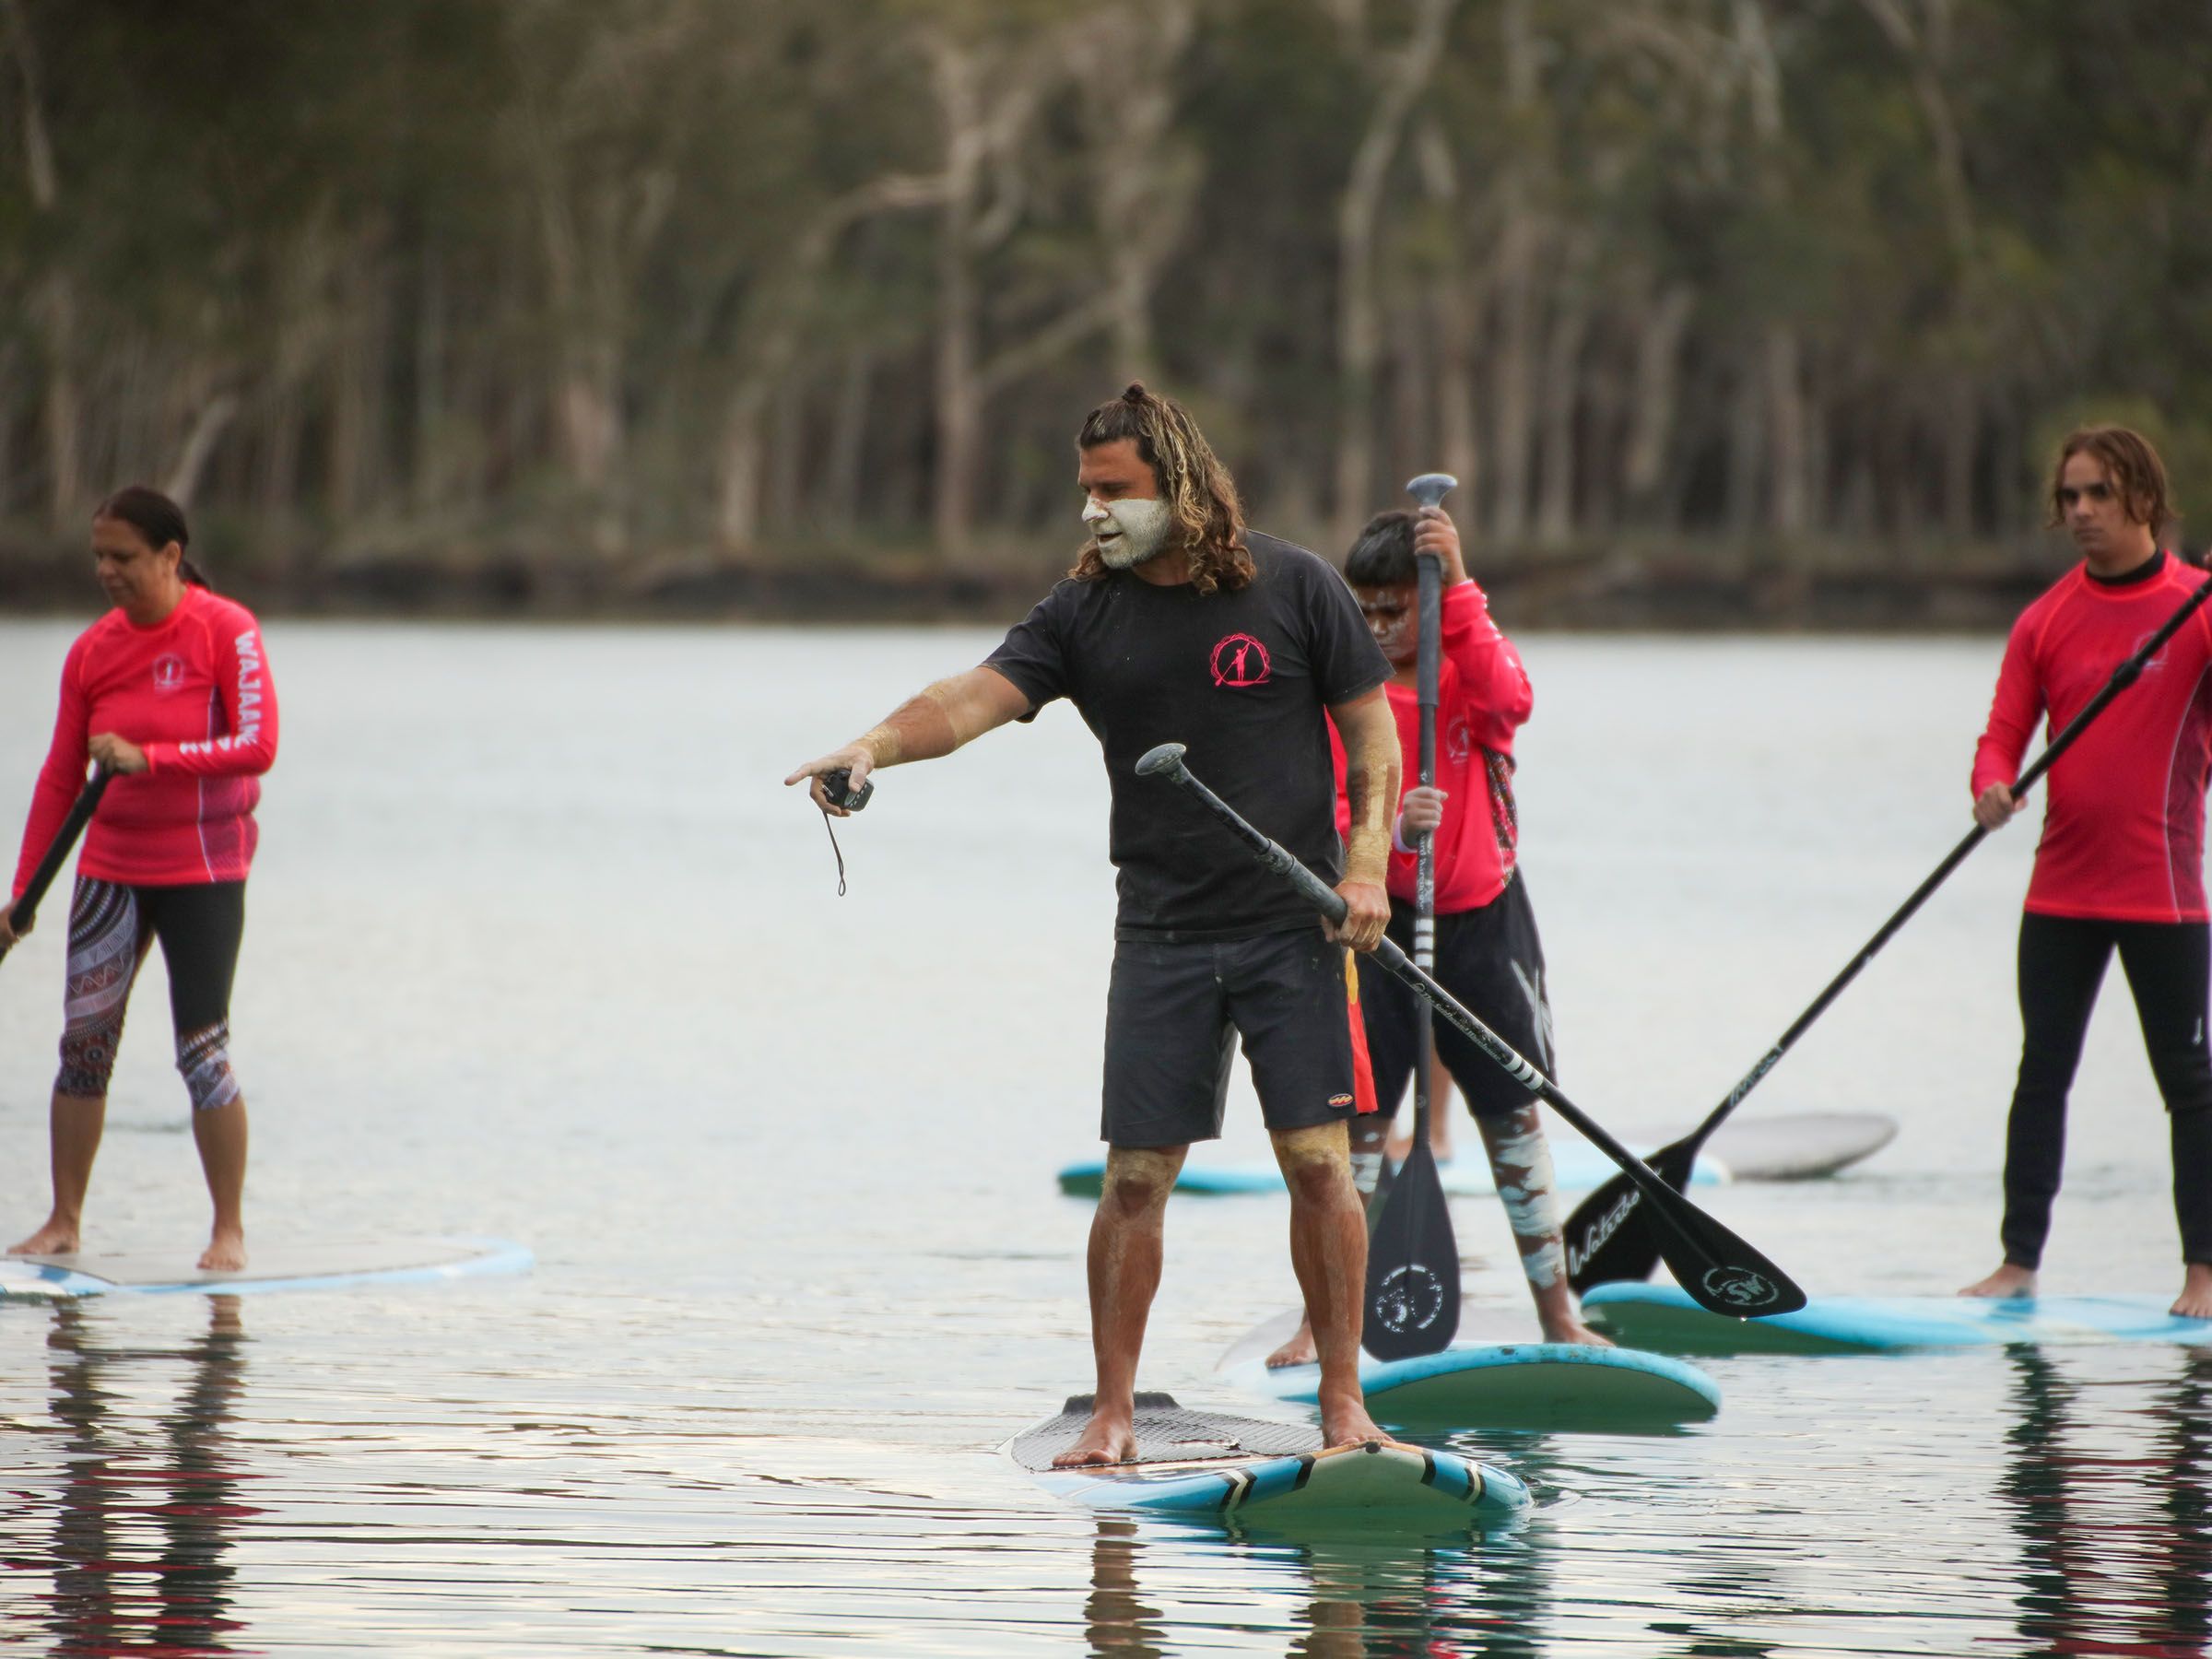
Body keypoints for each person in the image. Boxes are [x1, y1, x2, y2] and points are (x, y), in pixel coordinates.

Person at [786, 383, 1403, 1462]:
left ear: (1179, 484)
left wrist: (1364, 873)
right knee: (1132, 1179)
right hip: (1162, 935)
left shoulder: (1297, 585)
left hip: (1292, 931)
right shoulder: (1083, 612)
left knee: (1319, 1166)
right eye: (1085, 494)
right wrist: (868, 747)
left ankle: (1344, 1406)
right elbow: (971, 698)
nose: (1094, 514)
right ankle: (1112, 1414)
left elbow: (1373, 743)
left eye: (1114, 493)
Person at [1269, 504, 1606, 1368]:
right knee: (1358, 1130)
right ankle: (1322, 1321)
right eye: (1366, 610)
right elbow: (1327, 813)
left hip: (1483, 922)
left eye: (1396, 609)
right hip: (1376, 928)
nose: (1379, 628)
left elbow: (1514, 701)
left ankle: (1557, 1313)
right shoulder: (1344, 694)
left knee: (1511, 1118)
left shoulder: (1467, 673)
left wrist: (1456, 582)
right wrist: (1382, 834)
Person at [1960, 426, 2212, 1320]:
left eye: (2098, 494)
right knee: (2043, 1073)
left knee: (2190, 1086)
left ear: (2142, 497)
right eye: (2069, 497)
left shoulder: (2198, 609)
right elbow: (2002, 734)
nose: (2079, 513)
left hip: (2166, 898)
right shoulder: (2047, 619)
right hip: (2060, 891)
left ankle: (2203, 1276)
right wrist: (1991, 786)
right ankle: (2018, 1263)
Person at [3, 487, 278, 1274]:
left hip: (202, 867)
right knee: (83, 1047)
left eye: (122, 557)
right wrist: (22, 899)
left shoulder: (227, 631)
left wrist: (149, 758)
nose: (106, 571)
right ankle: (63, 1221)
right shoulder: (92, 652)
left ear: (169, 555)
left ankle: (227, 1230)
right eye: (98, 557)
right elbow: (60, 779)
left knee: (203, 1051)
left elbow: (257, 746)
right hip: (110, 871)